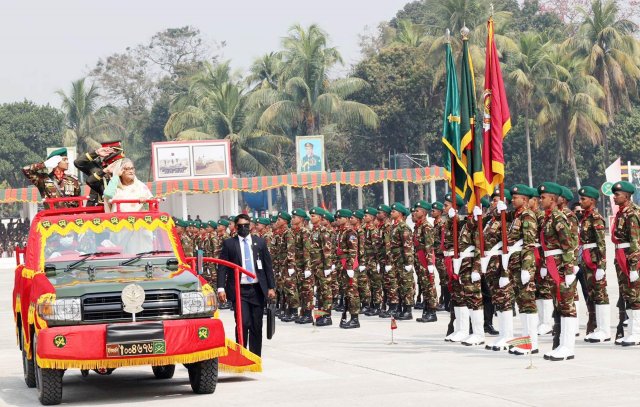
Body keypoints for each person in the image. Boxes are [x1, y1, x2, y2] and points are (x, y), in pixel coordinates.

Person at [217, 214, 276, 356]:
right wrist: (221, 288)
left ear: (250, 226)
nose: (244, 228)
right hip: (239, 290)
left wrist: (271, 287)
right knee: (243, 323)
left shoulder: (259, 243)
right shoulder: (229, 243)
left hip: (257, 289)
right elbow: (222, 267)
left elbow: (268, 266)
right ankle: (241, 355)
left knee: (257, 325)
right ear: (236, 227)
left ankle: (255, 357)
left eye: (246, 225)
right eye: (241, 226)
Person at [538, 182, 578, 361]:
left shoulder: (558, 218)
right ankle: (562, 344)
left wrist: (569, 269)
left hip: (562, 266)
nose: (540, 200)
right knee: (559, 305)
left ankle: (568, 347)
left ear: (552, 199)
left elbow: (569, 245)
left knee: (567, 306)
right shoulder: (548, 218)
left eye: (543, 197)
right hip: (553, 264)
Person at [578, 186, 610, 343]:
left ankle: (605, 330)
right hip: (586, 260)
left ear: (592, 200)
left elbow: (601, 244)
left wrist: (601, 266)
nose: (580, 201)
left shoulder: (596, 218)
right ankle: (598, 328)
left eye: (583, 199)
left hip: (595, 262)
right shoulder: (585, 217)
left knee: (600, 294)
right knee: (592, 294)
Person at [611, 181, 640, 346]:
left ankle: (636, 333)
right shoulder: (621, 213)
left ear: (627, 196)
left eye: (617, 194)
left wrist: (635, 266)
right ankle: (630, 331)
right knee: (627, 294)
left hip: (630, 257)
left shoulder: (632, 213)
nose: (614, 197)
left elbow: (635, 241)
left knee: (635, 296)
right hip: (621, 255)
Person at [74, 141, 125, 206]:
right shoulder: (97, 166)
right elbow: (78, 162)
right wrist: (96, 153)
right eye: (106, 151)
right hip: (97, 206)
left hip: (117, 205)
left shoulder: (123, 167)